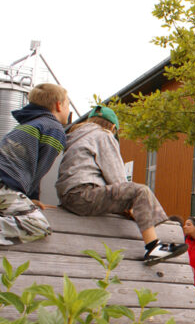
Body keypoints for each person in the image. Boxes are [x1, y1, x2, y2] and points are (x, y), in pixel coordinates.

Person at [57, 106, 188, 265]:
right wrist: (131, 207)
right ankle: (153, 247)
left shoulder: (77, 136)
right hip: (84, 194)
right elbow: (117, 177)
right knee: (140, 191)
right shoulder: (103, 135)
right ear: (112, 127)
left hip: (69, 196)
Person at [0, 83, 69, 245]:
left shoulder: (28, 124)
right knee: (38, 226)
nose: (68, 110)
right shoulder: (54, 128)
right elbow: (40, 169)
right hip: (5, 184)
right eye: (67, 104)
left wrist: (30, 198)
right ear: (59, 105)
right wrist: (31, 197)